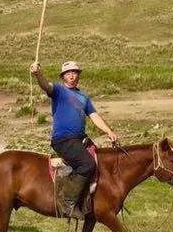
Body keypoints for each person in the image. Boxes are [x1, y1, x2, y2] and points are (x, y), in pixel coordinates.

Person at [30, 59, 119, 219]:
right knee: (87, 164)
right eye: (68, 73)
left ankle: (91, 201)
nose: (72, 75)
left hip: (80, 139)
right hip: (63, 140)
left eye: (75, 72)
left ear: (78, 75)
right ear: (63, 76)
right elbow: (46, 86)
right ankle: (68, 203)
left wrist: (109, 131)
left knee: (100, 160)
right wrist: (38, 74)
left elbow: (94, 116)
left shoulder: (83, 97)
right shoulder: (58, 90)